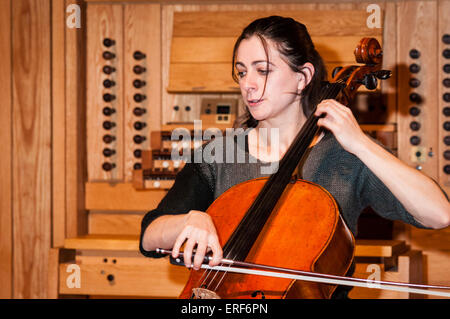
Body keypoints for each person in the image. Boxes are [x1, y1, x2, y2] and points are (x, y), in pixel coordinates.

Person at [139, 16, 450, 297]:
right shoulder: (218, 155)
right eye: (242, 72)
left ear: (302, 78)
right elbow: (150, 237)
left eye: (263, 70)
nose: (248, 84)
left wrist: (361, 144)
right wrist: (189, 221)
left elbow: (439, 215)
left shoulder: (345, 157)